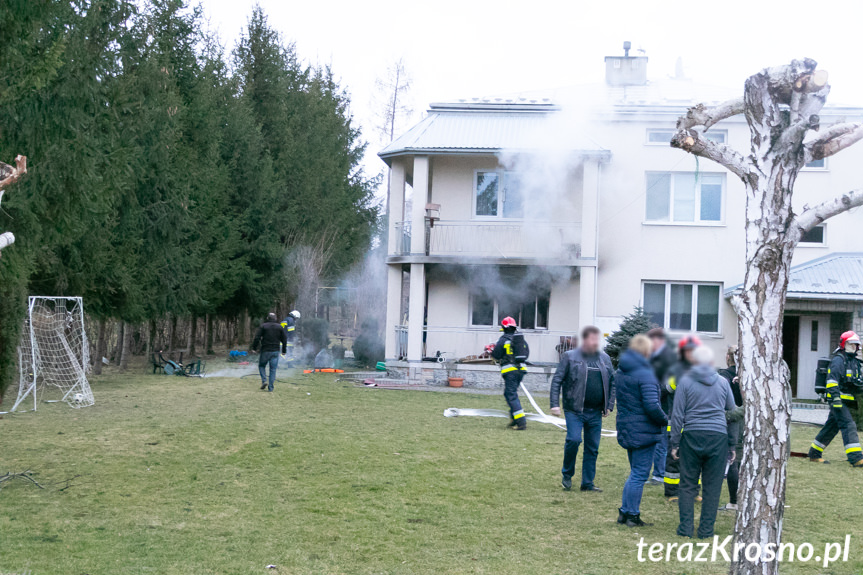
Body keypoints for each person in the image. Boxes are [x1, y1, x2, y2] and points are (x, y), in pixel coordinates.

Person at [669, 345, 736, 539]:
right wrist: (731, 445)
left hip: (692, 436)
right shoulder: (723, 383)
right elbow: (732, 415)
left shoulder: (685, 382)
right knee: (712, 487)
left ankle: (685, 528)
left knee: (688, 484)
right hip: (718, 437)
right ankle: (706, 530)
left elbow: (677, 415)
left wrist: (675, 443)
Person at [550, 325, 615, 492]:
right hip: (574, 409)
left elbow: (613, 382)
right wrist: (554, 404)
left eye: (597, 339)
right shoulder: (570, 357)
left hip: (596, 412)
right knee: (574, 440)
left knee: (592, 448)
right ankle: (567, 473)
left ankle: (587, 483)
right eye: (592, 339)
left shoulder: (604, 358)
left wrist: (609, 405)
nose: (595, 342)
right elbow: (557, 380)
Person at [614, 334, 668, 527]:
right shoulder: (646, 373)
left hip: (627, 427)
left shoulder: (622, 371)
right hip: (644, 430)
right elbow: (652, 405)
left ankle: (625, 512)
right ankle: (632, 515)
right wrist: (665, 420)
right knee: (639, 475)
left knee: (634, 473)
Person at [809, 331, 863, 467]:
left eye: (856, 344)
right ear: (844, 344)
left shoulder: (854, 362)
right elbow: (832, 381)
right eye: (852, 344)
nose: (855, 347)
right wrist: (836, 399)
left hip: (847, 401)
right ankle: (856, 458)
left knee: (831, 427)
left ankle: (814, 453)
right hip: (838, 401)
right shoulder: (839, 360)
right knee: (849, 425)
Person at [663, 335, 700, 502]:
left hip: (695, 423)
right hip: (676, 423)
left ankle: (693, 492)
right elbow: (666, 388)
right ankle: (672, 491)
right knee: (674, 459)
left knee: (695, 460)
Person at [647, 327, 677, 485]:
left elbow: (669, 385)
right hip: (658, 405)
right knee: (659, 440)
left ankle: (659, 474)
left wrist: (652, 391)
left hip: (666, 407)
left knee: (661, 442)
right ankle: (658, 472)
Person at [491, 316, 530, 430]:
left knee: (511, 395)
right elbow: (526, 354)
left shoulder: (503, 339)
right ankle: (514, 418)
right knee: (511, 394)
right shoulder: (521, 340)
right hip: (521, 371)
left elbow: (496, 355)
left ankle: (521, 422)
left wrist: (491, 350)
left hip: (510, 371)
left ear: (504, 328)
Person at [719, 346, 744, 512]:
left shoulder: (723, 376)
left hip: (732, 421)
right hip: (750, 420)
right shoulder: (751, 375)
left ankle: (734, 501)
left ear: (728, 356)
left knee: (733, 458)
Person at [252, 312, 287, 392]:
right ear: (276, 319)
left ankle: (264, 380)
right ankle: (271, 388)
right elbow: (284, 340)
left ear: (267, 318)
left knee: (261, 366)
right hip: (275, 351)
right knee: (273, 369)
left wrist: (254, 348)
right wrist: (284, 351)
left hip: (265, 350)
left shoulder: (263, 326)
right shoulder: (280, 327)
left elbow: (257, 337)